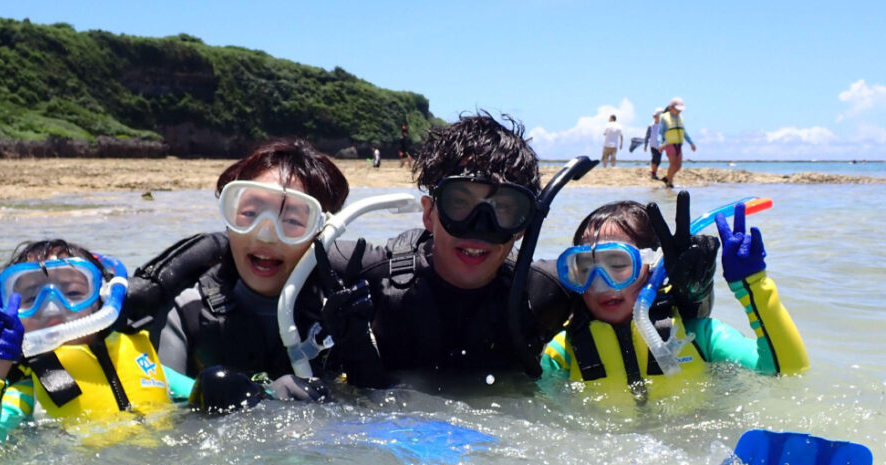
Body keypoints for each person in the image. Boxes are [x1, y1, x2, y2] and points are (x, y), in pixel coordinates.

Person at [320, 112, 720, 388]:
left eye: (505, 210)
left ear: (525, 225)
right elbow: (286, 259)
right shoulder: (363, 273)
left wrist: (693, 292)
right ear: (429, 212)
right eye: (460, 203)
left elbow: (633, 301)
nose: (480, 229)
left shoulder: (542, 289)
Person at [141, 138, 356, 403]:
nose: (265, 236)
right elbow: (155, 414)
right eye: (250, 213)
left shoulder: (340, 315)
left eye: (292, 220)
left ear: (322, 232)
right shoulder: (187, 313)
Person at [0, 240, 195, 464]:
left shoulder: (136, 353)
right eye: (31, 298)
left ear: (101, 299)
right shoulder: (28, 392)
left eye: (74, 293)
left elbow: (198, 394)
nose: (52, 308)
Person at [541, 198, 808, 404]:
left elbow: (786, 369)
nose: (599, 283)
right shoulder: (564, 353)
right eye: (584, 268)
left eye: (618, 264)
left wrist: (752, 285)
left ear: (655, 266)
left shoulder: (698, 337)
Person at [658, 97, 696, 189]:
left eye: (680, 110)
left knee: (678, 166)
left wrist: (691, 143)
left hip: (679, 144)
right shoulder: (665, 118)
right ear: (671, 108)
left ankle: (667, 177)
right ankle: (669, 184)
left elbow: (684, 132)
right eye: (677, 109)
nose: (679, 111)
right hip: (669, 144)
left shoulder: (680, 118)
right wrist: (660, 144)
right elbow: (660, 132)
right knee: (673, 164)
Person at [644, 109, 664, 180]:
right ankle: (653, 173)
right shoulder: (651, 125)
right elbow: (647, 136)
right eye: (655, 116)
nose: (656, 117)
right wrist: (645, 145)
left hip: (660, 145)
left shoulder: (662, 125)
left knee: (658, 160)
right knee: (654, 158)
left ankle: (654, 171)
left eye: (657, 116)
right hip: (652, 145)